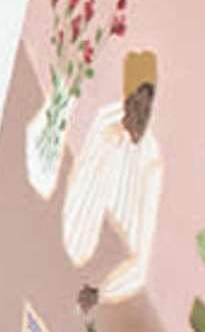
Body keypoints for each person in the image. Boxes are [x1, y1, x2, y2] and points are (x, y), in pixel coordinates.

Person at [60, 50, 164, 311]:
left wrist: (102, 292)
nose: (140, 115)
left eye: (147, 108)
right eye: (135, 104)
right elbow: (78, 187)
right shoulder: (106, 124)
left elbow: (140, 260)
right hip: (75, 244)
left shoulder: (151, 161)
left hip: (110, 270)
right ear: (126, 100)